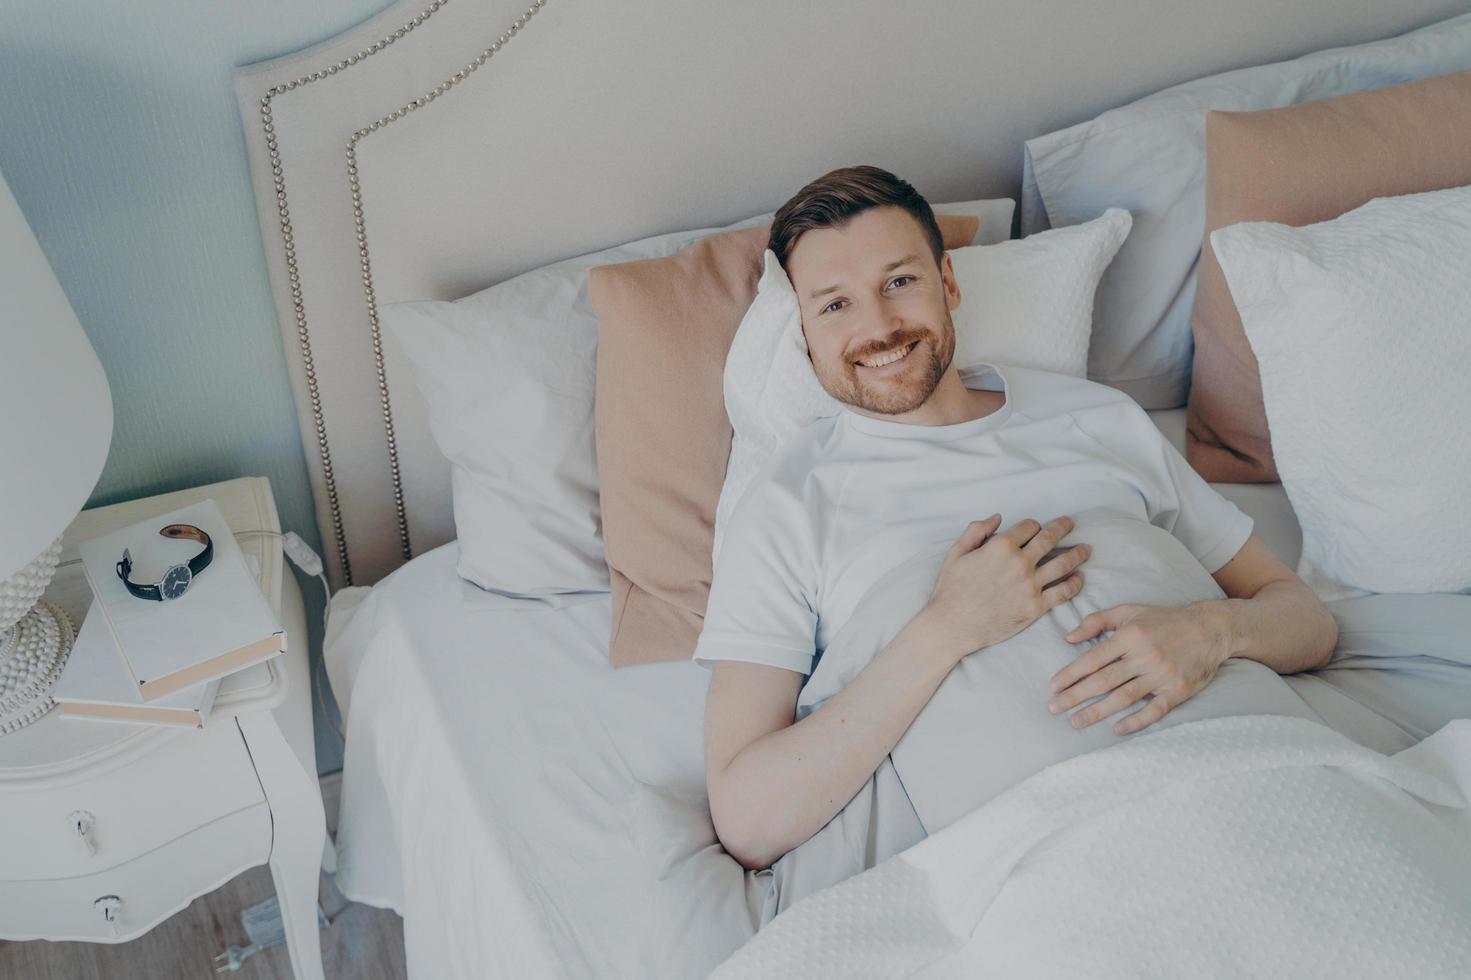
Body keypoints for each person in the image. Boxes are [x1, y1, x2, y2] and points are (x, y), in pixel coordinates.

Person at [697, 166, 1339, 873]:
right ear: (805, 333)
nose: (877, 327)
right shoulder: (788, 502)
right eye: (834, 305)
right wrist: (947, 628)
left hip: (1252, 773)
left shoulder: (1096, 418)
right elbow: (748, 818)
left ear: (947, 282)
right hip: (1051, 851)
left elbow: (1307, 621)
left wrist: (1211, 632)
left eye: (898, 282)